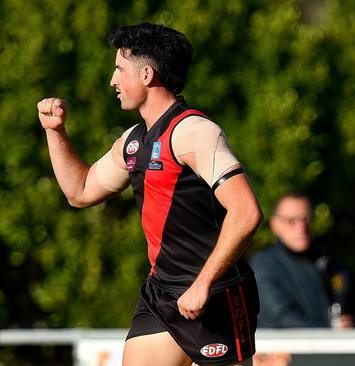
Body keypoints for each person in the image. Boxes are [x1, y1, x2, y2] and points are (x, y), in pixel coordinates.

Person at [37, 23, 263, 366]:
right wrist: (56, 133)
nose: (112, 80)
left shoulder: (194, 132)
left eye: (119, 69)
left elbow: (246, 213)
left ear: (146, 74)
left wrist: (202, 285)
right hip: (162, 294)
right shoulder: (133, 141)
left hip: (214, 295)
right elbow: (80, 192)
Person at [250, 193, 355, 329]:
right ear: (275, 225)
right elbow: (282, 318)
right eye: (291, 221)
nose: (301, 228)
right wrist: (330, 329)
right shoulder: (263, 265)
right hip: (285, 348)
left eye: (306, 219)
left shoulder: (329, 263)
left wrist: (354, 323)